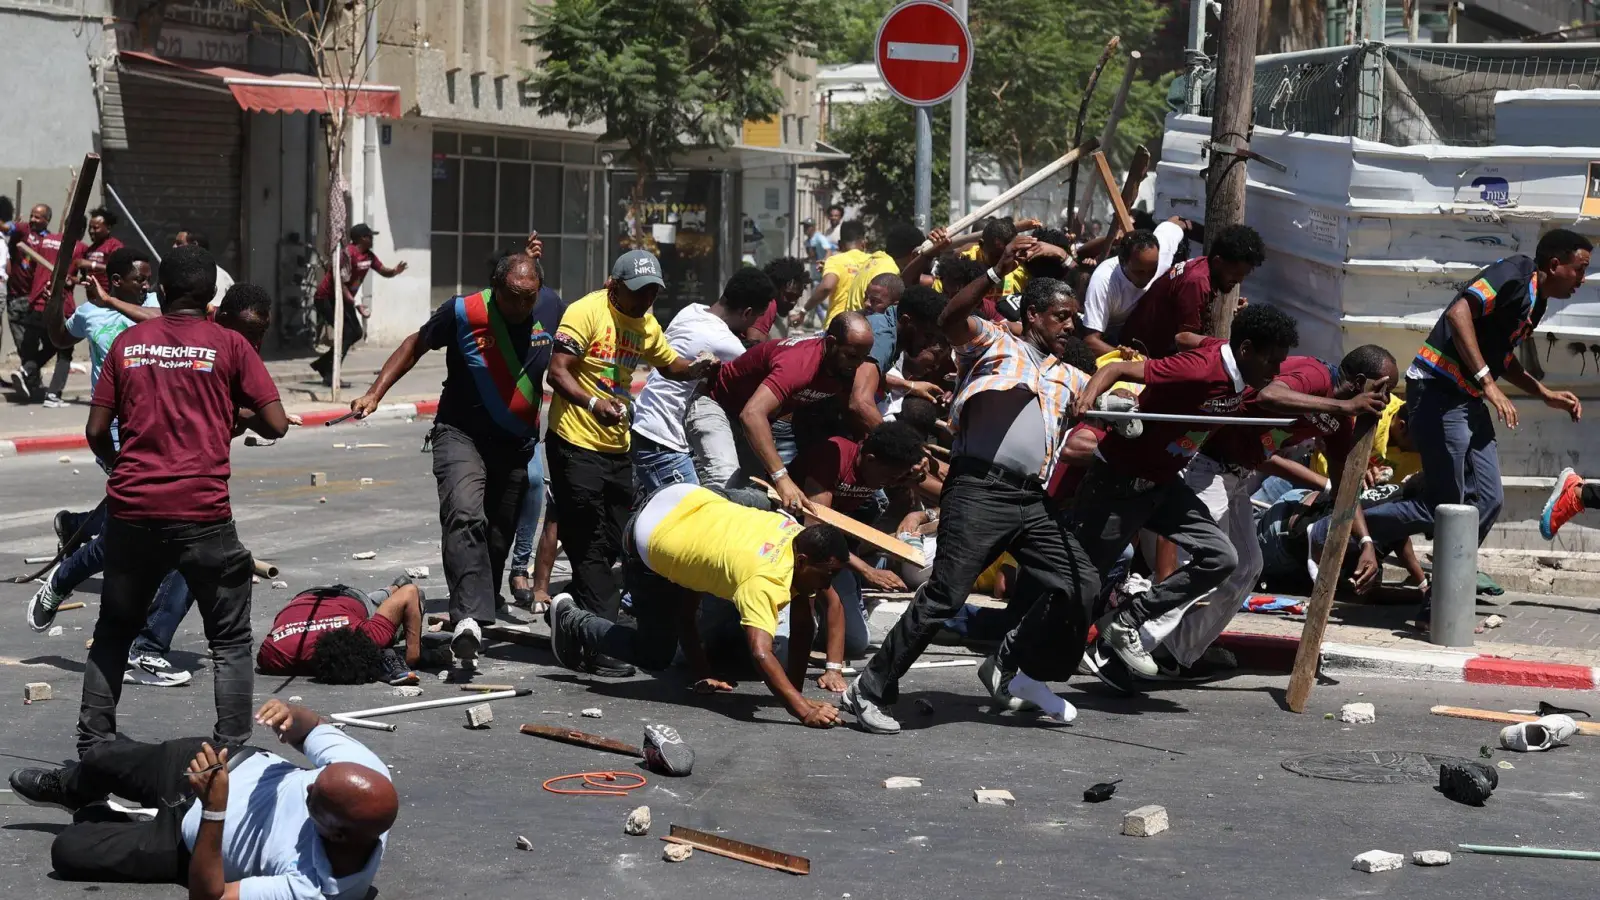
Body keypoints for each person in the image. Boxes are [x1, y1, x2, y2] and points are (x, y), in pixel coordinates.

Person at [841, 248, 1102, 735]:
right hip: (979, 490)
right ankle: (869, 689)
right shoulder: (996, 344)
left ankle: (1018, 668)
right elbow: (952, 315)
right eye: (1061, 317)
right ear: (1033, 315)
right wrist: (995, 272)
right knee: (944, 595)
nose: (1070, 325)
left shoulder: (1073, 378)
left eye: (1074, 318)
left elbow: (1112, 409)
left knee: (1080, 582)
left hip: (1030, 501)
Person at [79, 244, 288, 756]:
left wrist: (118, 466)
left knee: (113, 631)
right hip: (202, 513)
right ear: (211, 297)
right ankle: (231, 752)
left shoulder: (130, 344)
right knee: (230, 641)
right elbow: (277, 423)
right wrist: (235, 416)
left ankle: (93, 746)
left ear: (163, 292)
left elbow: (96, 429)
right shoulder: (230, 347)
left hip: (133, 510)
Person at [1325, 229, 1591, 623]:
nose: (1582, 280)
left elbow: (1501, 358)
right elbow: (1458, 313)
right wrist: (1487, 385)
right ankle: (1343, 525)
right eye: (1580, 270)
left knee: (1488, 500)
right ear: (1555, 264)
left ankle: (1437, 586)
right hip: (1437, 391)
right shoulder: (1514, 274)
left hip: (1465, 397)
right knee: (1448, 505)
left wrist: (1544, 394)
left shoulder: (1535, 304)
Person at [350, 239, 563, 668]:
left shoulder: (553, 308)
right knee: (465, 514)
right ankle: (469, 618)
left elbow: (569, 364)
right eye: (513, 297)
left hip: (516, 442)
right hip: (459, 433)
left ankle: (479, 604)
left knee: (498, 530)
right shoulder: (463, 312)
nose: (523, 306)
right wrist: (375, 392)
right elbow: (415, 343)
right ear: (494, 288)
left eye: (530, 296)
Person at [1069, 304, 1300, 680]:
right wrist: (1087, 397)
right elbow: (1116, 368)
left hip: (1164, 484)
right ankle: (1014, 659)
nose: (1276, 374)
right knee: (1082, 579)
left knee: (1223, 558)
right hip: (1121, 481)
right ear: (1245, 351)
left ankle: (1129, 622)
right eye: (1272, 362)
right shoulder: (1199, 368)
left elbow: (1188, 337)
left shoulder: (1235, 364)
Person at [1138, 345, 1396, 680]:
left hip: (1235, 477)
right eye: (1384, 390)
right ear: (1361, 382)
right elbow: (1270, 396)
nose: (1387, 401)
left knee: (1246, 567)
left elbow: (1342, 485)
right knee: (1201, 563)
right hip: (1204, 465)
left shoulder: (1339, 421)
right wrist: (1344, 406)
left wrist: (1365, 542)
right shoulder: (1315, 375)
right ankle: (1133, 643)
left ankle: (1175, 654)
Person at [12, 699, 396, 900]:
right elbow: (312, 728)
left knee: (69, 849)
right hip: (220, 762)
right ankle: (69, 787)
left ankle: (127, 817)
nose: (307, 785)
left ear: (337, 834)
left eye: (315, 797)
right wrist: (291, 716)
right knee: (101, 757)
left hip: (188, 842)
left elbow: (210, 897)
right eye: (315, 778)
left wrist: (214, 808)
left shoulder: (317, 889)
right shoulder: (366, 771)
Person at [547, 485, 850, 728]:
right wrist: (802, 710)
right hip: (647, 532)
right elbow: (761, 651)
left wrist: (703, 672)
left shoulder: (796, 532)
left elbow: (802, 623)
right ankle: (570, 618)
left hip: (686, 495)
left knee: (756, 503)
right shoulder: (764, 580)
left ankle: (748, 495)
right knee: (654, 654)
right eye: (828, 574)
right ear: (803, 562)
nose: (829, 584)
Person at [545, 249, 716, 665]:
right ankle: (599, 641)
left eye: (652, 294)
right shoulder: (586, 312)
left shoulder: (645, 323)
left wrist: (697, 369)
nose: (644, 302)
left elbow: (670, 363)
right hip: (575, 440)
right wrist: (592, 404)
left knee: (622, 537)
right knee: (586, 538)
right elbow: (558, 370)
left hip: (617, 447)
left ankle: (584, 618)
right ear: (613, 285)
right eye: (638, 293)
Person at [700, 312, 877, 511]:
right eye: (852, 356)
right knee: (726, 481)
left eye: (862, 358)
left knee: (754, 492)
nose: (856, 365)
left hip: (752, 420)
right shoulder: (799, 363)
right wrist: (781, 476)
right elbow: (752, 414)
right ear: (831, 342)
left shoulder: (843, 370)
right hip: (716, 403)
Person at [789, 420, 930, 668]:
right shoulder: (834, 458)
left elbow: (941, 490)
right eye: (887, 477)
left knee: (855, 643)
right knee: (790, 643)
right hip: (800, 545)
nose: (889, 484)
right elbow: (814, 533)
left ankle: (822, 622)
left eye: (897, 478)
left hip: (835, 547)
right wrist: (867, 571)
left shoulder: (888, 468)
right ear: (871, 459)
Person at [632, 266, 774, 495]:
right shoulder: (726, 344)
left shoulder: (692, 311)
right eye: (755, 319)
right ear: (747, 312)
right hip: (664, 438)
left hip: (645, 418)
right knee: (690, 513)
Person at [1118, 223, 1266, 358]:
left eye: (1243, 275)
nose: (1239, 280)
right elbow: (1185, 341)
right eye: (1235, 274)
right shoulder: (1196, 282)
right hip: (1138, 354)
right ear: (1218, 262)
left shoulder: (1202, 267)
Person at [256, 578, 442, 684]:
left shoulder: (369, 635)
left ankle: (391, 589)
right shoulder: (274, 656)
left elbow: (410, 591)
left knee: (403, 601)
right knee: (399, 615)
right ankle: (391, 588)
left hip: (347, 597)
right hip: (306, 601)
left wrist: (412, 658)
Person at [310, 223, 408, 386]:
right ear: (362, 238)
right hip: (327, 298)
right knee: (347, 332)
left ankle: (323, 364)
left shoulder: (369, 256)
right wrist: (357, 304)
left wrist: (394, 271)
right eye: (370, 236)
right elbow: (339, 283)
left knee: (355, 332)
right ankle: (329, 373)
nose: (372, 240)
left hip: (344, 299)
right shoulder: (347, 254)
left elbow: (383, 270)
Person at [1081, 218, 1188, 356]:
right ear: (1122, 261)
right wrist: (1128, 356)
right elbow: (1090, 341)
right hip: (1112, 335)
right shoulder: (1104, 281)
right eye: (1139, 272)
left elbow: (1178, 222)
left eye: (1152, 270)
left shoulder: (1162, 252)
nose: (1146, 277)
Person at [13, 205, 82, 405]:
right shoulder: (78, 247)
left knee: (51, 346)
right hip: (59, 306)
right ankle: (53, 394)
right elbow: (76, 274)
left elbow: (29, 267)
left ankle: (28, 369)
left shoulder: (44, 241)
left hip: (36, 303)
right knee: (64, 349)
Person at [790, 220, 868, 328]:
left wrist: (803, 311)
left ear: (840, 244)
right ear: (864, 243)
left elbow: (826, 287)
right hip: (863, 326)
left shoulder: (835, 260)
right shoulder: (873, 262)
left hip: (837, 325)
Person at [747, 256, 811, 344]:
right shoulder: (767, 306)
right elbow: (753, 342)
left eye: (797, 297)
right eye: (789, 296)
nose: (793, 302)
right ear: (775, 288)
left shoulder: (779, 310)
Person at [73, 208, 125, 299]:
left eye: (96, 228)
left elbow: (118, 269)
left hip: (109, 298)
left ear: (108, 228)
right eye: (90, 228)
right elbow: (89, 278)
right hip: (93, 299)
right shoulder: (90, 249)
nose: (91, 231)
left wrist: (91, 264)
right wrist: (73, 280)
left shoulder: (115, 246)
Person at [172, 230, 235, 304]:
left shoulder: (217, 277)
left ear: (194, 245)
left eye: (179, 243)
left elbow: (212, 312)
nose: (174, 246)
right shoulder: (181, 275)